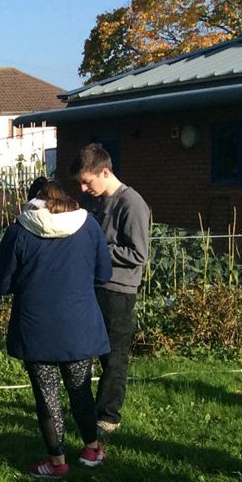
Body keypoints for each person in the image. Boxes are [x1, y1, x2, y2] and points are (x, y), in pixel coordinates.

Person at [0, 181, 112, 478]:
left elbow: (1, 284)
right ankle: (92, 448)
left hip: (37, 327)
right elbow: (104, 274)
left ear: (35, 203)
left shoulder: (19, 230)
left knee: (47, 395)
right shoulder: (89, 226)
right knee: (80, 389)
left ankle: (57, 462)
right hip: (79, 324)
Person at [69, 144, 151, 435]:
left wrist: (99, 249)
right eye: (80, 182)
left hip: (118, 292)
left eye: (87, 181)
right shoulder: (90, 201)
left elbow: (139, 254)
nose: (83, 187)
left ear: (105, 171)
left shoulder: (132, 204)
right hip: (90, 287)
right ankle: (85, 409)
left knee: (113, 357)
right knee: (84, 350)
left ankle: (108, 417)